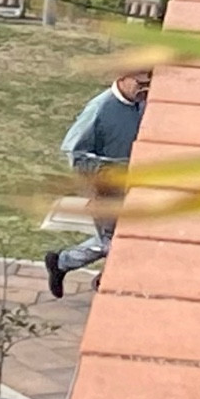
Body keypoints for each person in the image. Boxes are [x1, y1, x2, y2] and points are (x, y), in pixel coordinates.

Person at [44, 68, 151, 298]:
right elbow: (75, 154)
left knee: (120, 239)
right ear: (122, 78)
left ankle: (62, 262)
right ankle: (98, 280)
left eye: (148, 83)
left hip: (131, 188)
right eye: (139, 82)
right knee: (115, 243)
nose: (144, 88)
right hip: (106, 190)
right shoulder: (99, 108)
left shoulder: (142, 104)